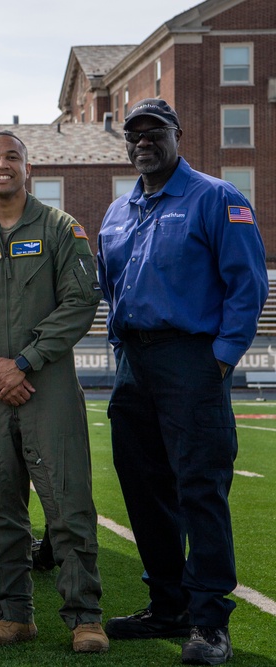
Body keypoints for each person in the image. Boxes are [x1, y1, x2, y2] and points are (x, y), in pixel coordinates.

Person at [98, 99, 268, 665]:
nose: (143, 140)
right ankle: (166, 606)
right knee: (144, 489)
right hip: (134, 365)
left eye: (154, 131)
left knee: (199, 489)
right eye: (133, 133)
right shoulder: (118, 212)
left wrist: (219, 358)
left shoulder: (216, 197)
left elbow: (247, 284)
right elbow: (112, 288)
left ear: (176, 135)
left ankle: (209, 622)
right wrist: (122, 349)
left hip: (191, 360)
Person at [0, 131, 108, 653]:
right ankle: (12, 615)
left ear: (27, 167)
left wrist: (26, 361)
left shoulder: (62, 229)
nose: (1, 165)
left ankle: (85, 617)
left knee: (67, 503)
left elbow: (81, 301)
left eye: (12, 156)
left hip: (48, 386)